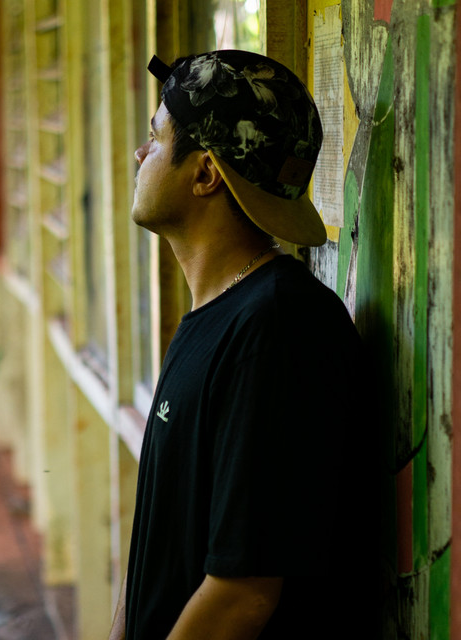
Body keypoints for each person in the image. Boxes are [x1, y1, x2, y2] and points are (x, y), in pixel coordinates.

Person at [109, 50, 378, 640]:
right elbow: (161, 533)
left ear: (205, 173)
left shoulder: (278, 329)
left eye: (156, 137)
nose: (140, 153)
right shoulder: (220, 312)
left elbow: (242, 594)